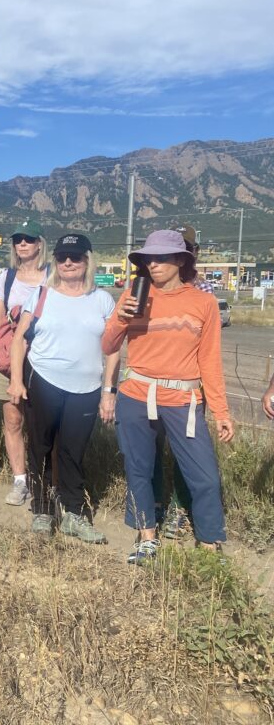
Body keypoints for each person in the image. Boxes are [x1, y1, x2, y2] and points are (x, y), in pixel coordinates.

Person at [102, 229, 234, 565]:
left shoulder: (203, 302)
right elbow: (108, 346)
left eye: (161, 257)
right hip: (135, 395)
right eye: (148, 258)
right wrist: (121, 317)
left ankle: (208, 545)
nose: (153, 264)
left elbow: (210, 360)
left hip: (183, 401)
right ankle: (147, 537)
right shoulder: (133, 293)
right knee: (139, 469)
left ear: (180, 260)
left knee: (204, 475)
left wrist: (221, 411)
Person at [8, 233, 118, 542]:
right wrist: (16, 380)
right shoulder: (42, 295)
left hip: (86, 390)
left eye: (76, 256)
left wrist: (109, 391)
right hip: (44, 381)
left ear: (88, 260)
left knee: (73, 452)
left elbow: (113, 349)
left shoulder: (103, 299)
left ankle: (73, 515)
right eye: (62, 257)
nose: (68, 262)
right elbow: (19, 340)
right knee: (41, 448)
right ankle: (42, 510)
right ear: (55, 261)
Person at [151, 224, 213, 539]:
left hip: (186, 388)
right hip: (148, 386)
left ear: (192, 254)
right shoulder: (147, 288)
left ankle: (180, 509)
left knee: (184, 453)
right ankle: (155, 503)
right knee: (151, 449)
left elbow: (207, 347)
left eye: (184, 248)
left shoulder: (203, 292)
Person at [0, 219, 49, 506]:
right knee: (12, 418)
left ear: (40, 243)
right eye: (18, 239)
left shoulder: (52, 275)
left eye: (28, 238)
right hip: (10, 358)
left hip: (43, 357)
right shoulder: (7, 276)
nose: (22, 243)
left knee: (41, 422)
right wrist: (7, 347)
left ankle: (45, 479)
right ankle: (20, 480)